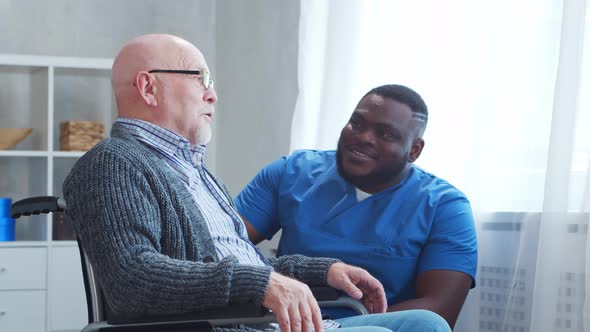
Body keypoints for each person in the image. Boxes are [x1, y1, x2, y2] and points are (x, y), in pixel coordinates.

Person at [62, 34, 450, 332]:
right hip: (232, 327)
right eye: (201, 78)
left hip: (261, 322)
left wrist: (324, 271)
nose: (212, 94)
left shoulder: (197, 171)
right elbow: (133, 279)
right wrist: (262, 282)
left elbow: (242, 264)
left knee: (428, 325)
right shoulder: (112, 163)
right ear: (148, 88)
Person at [235, 84, 477, 329]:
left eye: (386, 134)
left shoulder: (444, 206)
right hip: (288, 322)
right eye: (357, 123)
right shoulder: (291, 172)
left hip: (372, 323)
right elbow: (217, 244)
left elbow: (442, 307)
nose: (363, 137)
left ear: (414, 150)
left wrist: (352, 326)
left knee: (428, 324)